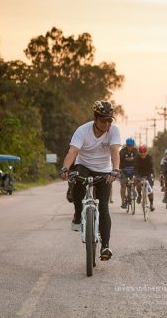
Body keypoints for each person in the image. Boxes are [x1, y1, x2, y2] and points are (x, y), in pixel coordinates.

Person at [59, 100, 121, 261]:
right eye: (103, 120)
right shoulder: (82, 131)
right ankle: (78, 214)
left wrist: (115, 169)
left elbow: (115, 151)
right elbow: (73, 151)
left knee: (104, 207)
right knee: (78, 184)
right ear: (95, 118)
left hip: (104, 169)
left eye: (110, 120)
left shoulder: (113, 130)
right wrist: (65, 168)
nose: (107, 124)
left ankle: (105, 247)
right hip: (84, 165)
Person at [134, 144, 155, 211]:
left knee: (150, 189)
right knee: (138, 184)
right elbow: (135, 169)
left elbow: (151, 168)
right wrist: (137, 177)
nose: (142, 154)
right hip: (139, 174)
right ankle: (139, 195)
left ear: (146, 152)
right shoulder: (136, 158)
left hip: (148, 174)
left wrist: (152, 175)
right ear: (139, 152)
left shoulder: (149, 158)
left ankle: (151, 204)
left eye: (144, 152)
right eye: (141, 152)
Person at [119, 138, 138, 209]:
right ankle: (123, 201)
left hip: (133, 170)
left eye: (132, 146)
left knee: (135, 181)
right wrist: (119, 169)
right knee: (123, 185)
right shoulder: (122, 151)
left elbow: (138, 160)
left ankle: (132, 192)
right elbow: (118, 160)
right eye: (129, 145)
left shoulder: (135, 151)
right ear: (126, 145)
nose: (130, 147)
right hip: (124, 170)